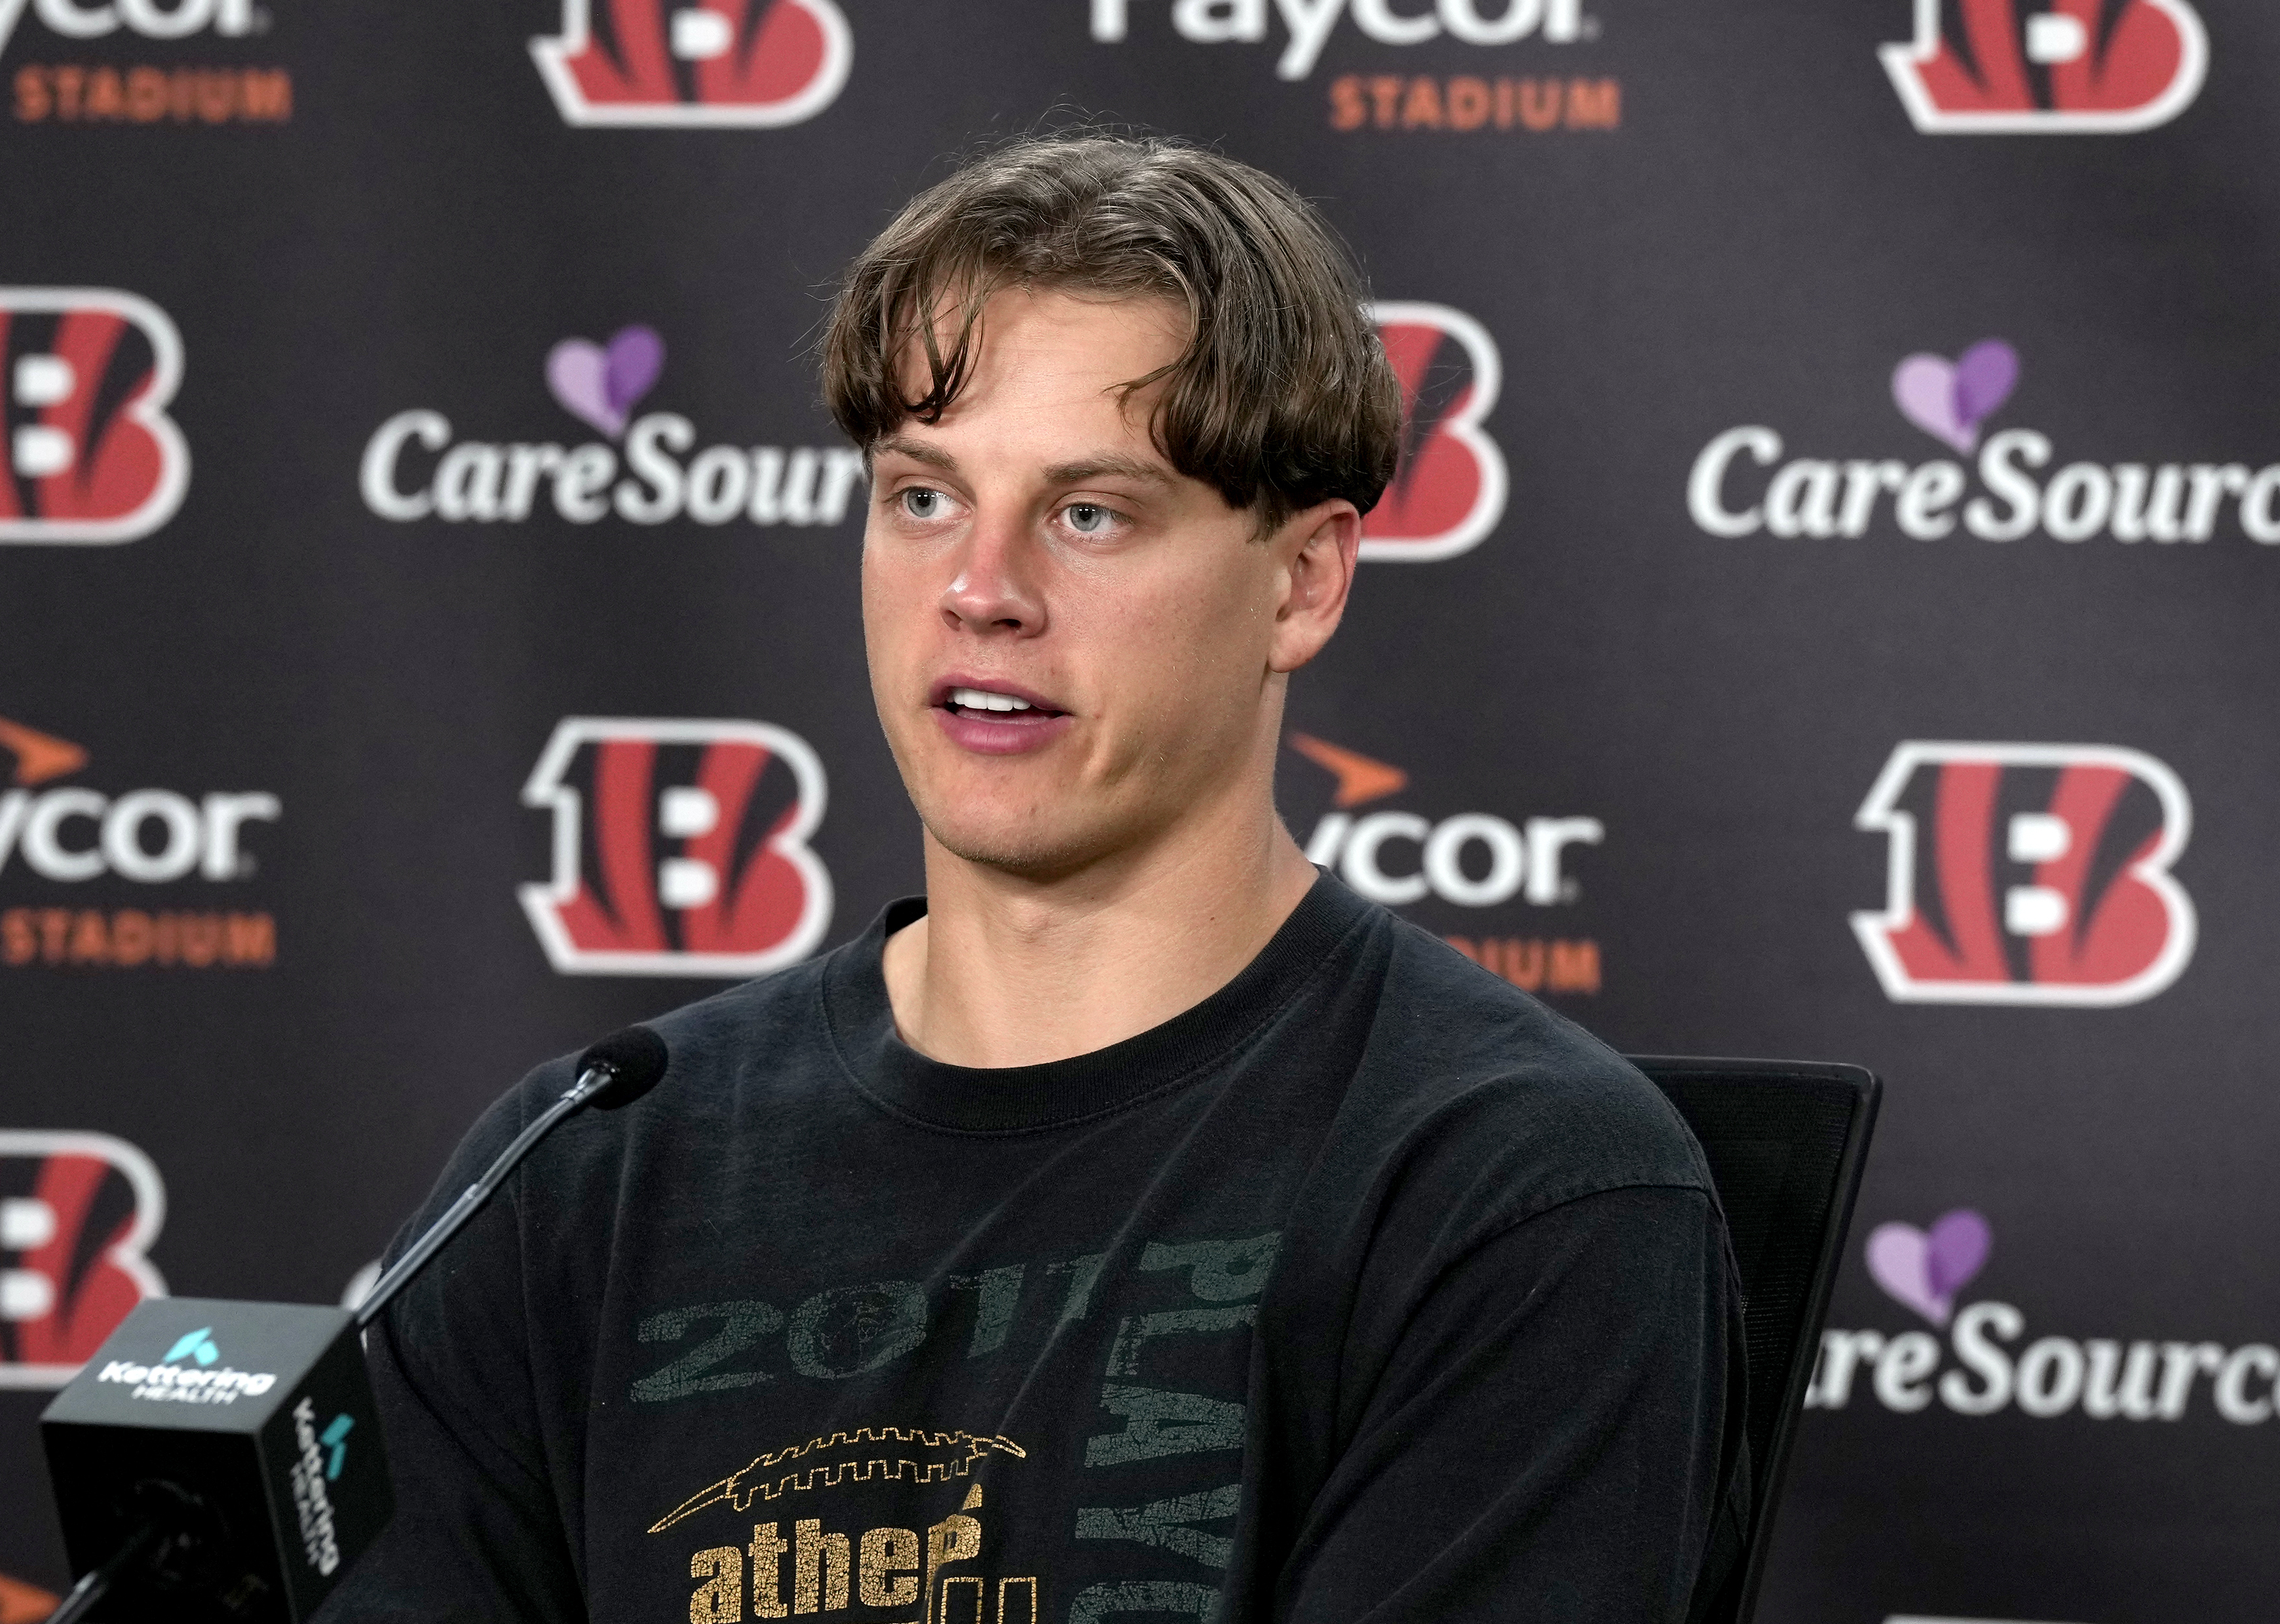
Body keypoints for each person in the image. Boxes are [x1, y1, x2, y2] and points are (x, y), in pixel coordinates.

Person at [331, 133, 1747, 1624]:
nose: (982, 590)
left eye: (1090, 514)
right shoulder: (583, 1171)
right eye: (924, 498)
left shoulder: (1518, 1192)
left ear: (1304, 580)